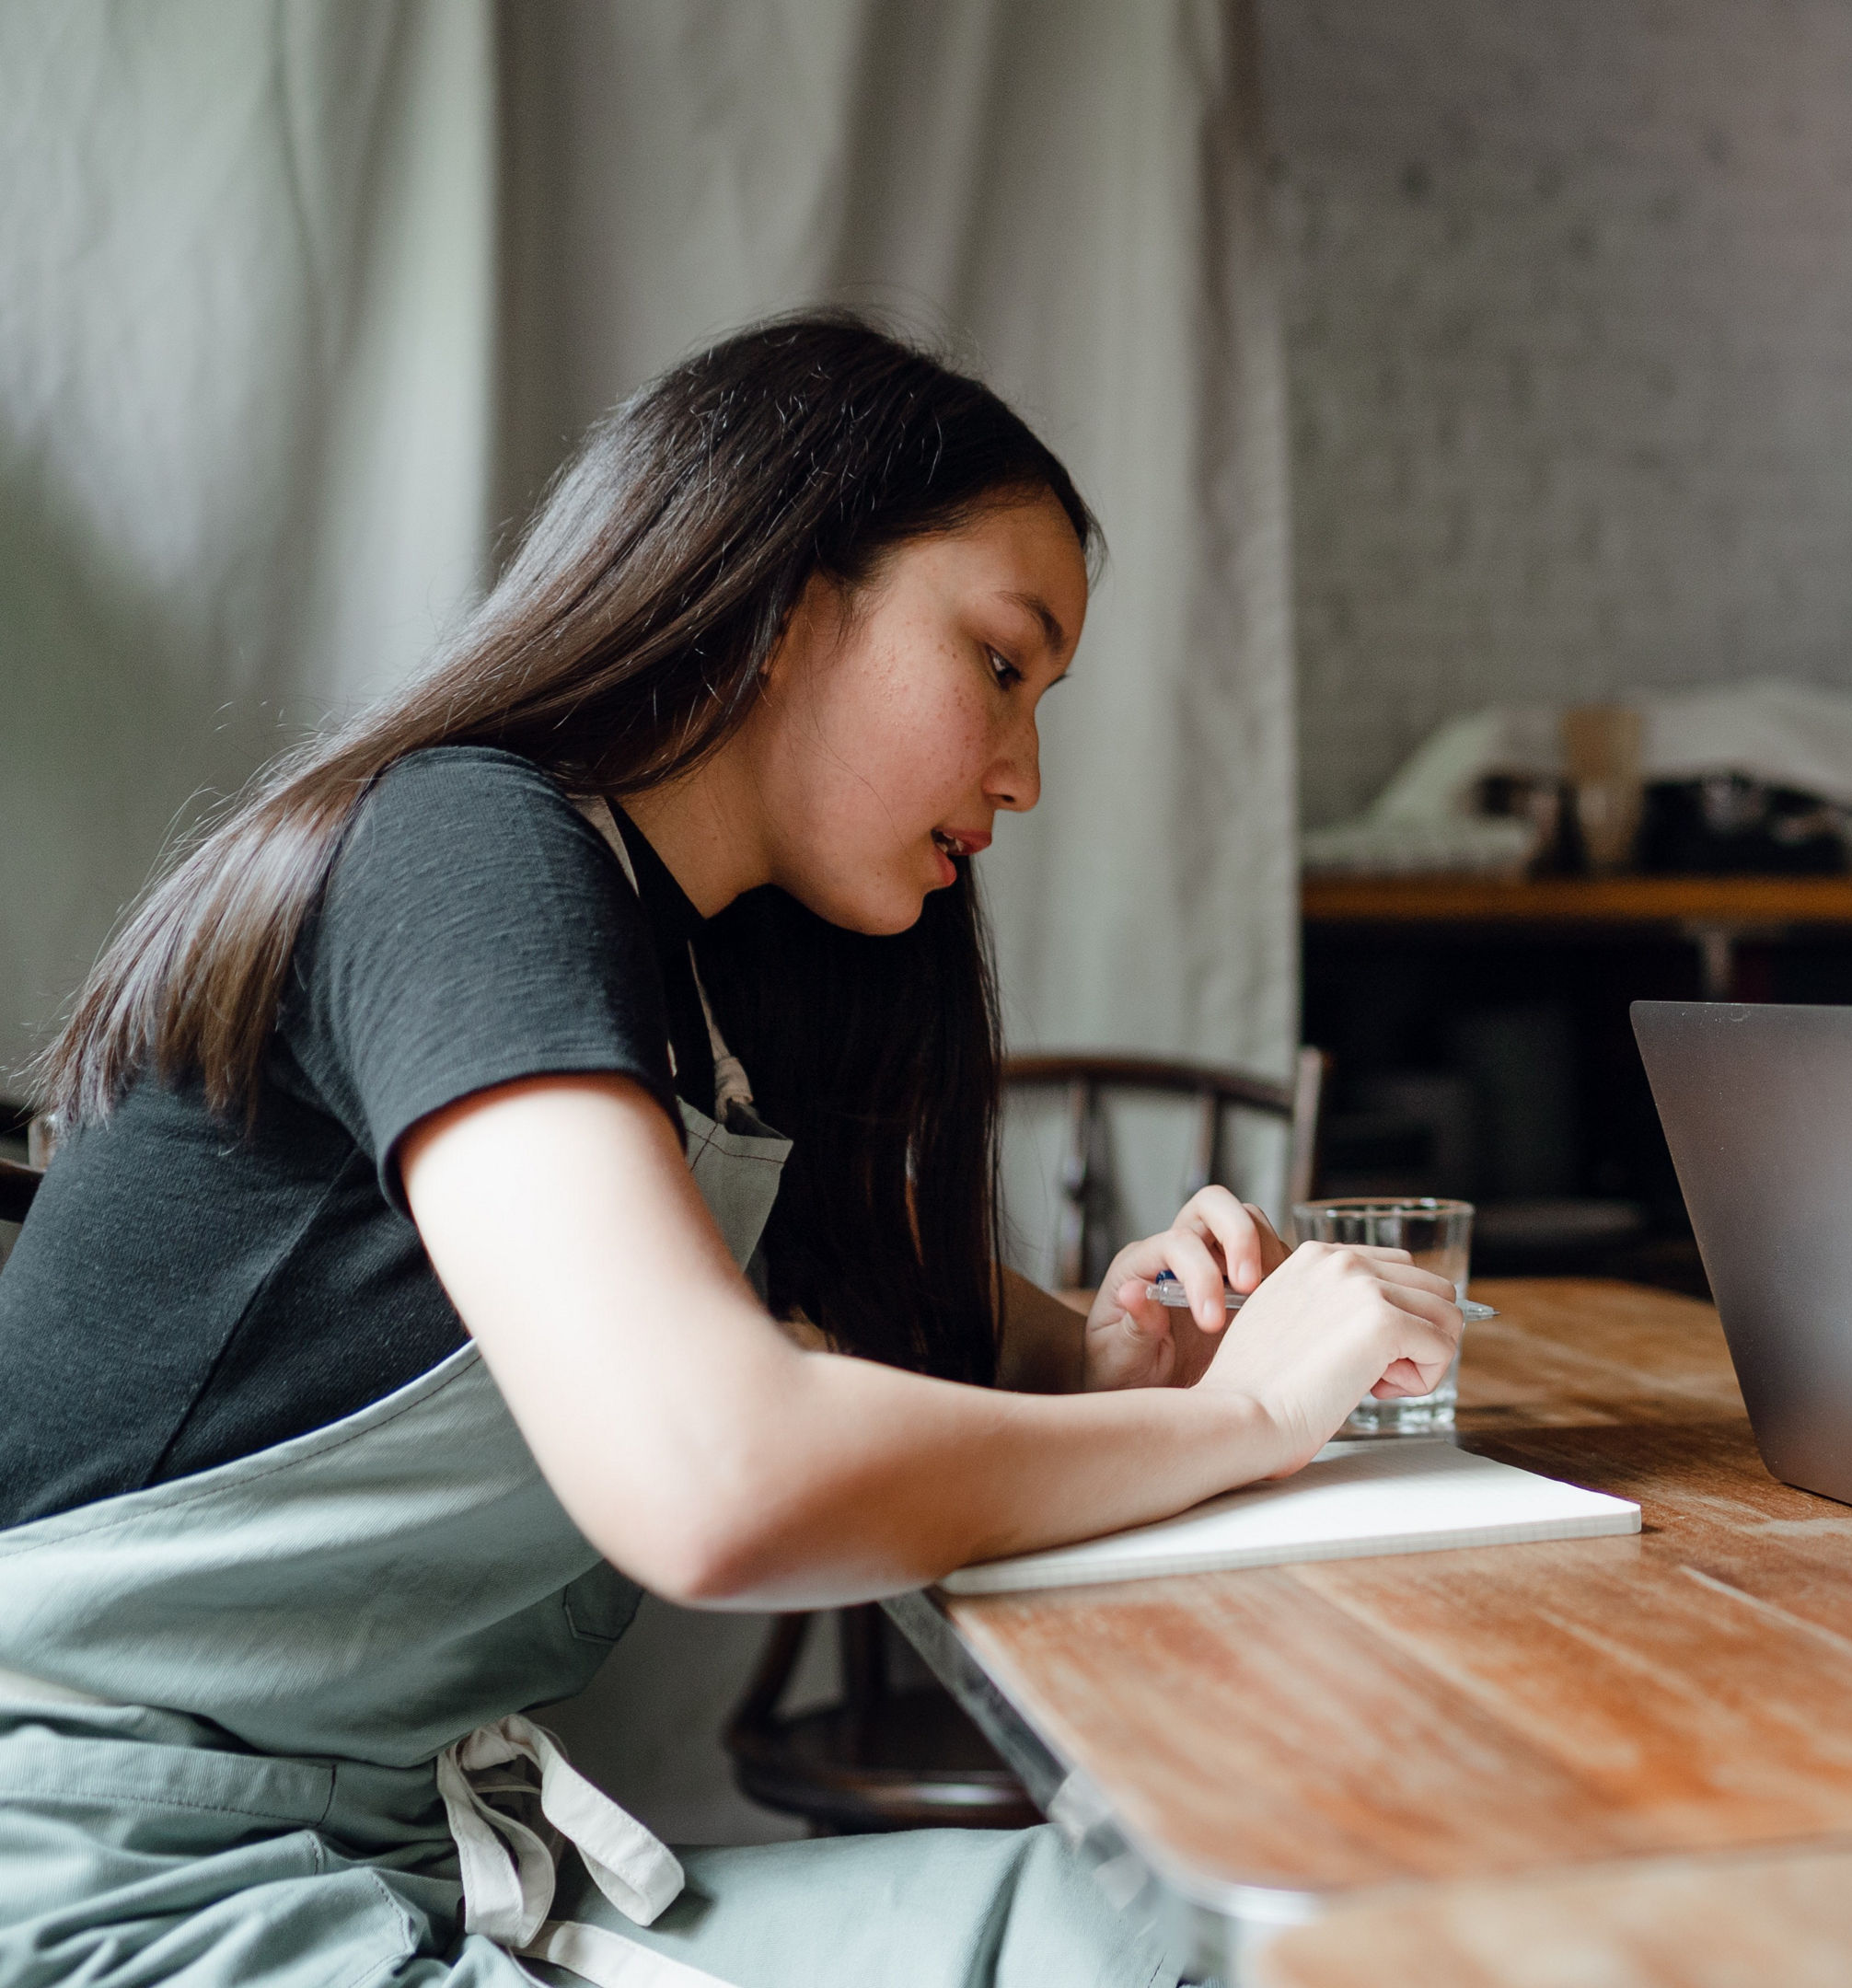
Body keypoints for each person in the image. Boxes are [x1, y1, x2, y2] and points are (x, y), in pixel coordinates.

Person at [0, 316, 1457, 1988]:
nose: (1025, 772)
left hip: (377, 1866)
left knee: (1205, 1929)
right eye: (999, 661)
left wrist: (1111, 1352)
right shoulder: (467, 846)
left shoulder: (685, 977)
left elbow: (886, 1322)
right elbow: (713, 1473)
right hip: (118, 1913)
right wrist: (1241, 1417)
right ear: (784, 593)